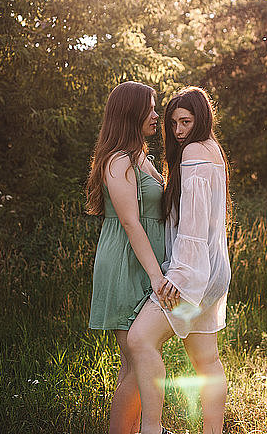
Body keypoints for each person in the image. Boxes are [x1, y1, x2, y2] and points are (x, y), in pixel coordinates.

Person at [127, 86, 232, 434]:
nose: (179, 130)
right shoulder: (212, 150)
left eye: (186, 121)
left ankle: (151, 429)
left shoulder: (194, 155)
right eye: (173, 123)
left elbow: (193, 224)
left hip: (192, 278)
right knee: (207, 360)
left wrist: (180, 274)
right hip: (213, 275)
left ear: (201, 118)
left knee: (140, 339)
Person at [85, 81, 176, 434]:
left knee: (140, 357)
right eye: (149, 109)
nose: (156, 115)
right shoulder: (117, 160)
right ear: (130, 114)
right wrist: (156, 275)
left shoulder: (141, 157)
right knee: (135, 360)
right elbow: (129, 221)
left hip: (148, 260)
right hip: (127, 262)